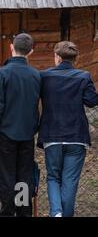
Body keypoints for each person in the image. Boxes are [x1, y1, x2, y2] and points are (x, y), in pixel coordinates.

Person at [38, 41, 98, 217]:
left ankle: (56, 212)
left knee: (53, 177)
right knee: (70, 181)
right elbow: (92, 101)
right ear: (75, 59)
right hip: (76, 135)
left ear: (57, 57)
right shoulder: (84, 76)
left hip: (52, 134)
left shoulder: (45, 76)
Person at [0, 33, 41, 217]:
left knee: (7, 175)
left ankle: (8, 212)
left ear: (11, 47)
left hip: (6, 133)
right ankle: (23, 212)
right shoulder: (36, 75)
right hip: (27, 133)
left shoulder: (2, 73)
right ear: (31, 52)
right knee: (24, 175)